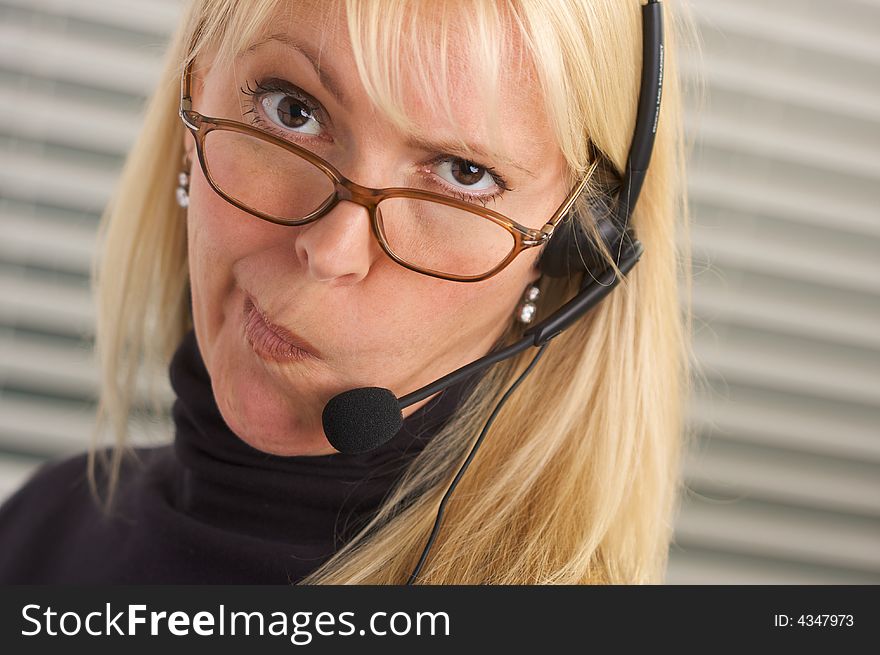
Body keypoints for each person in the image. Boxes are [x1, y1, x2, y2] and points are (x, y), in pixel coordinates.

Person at [0, 0, 697, 584]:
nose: (331, 252)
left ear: (570, 251)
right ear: (194, 90)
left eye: (461, 173)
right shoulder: (41, 532)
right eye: (292, 109)